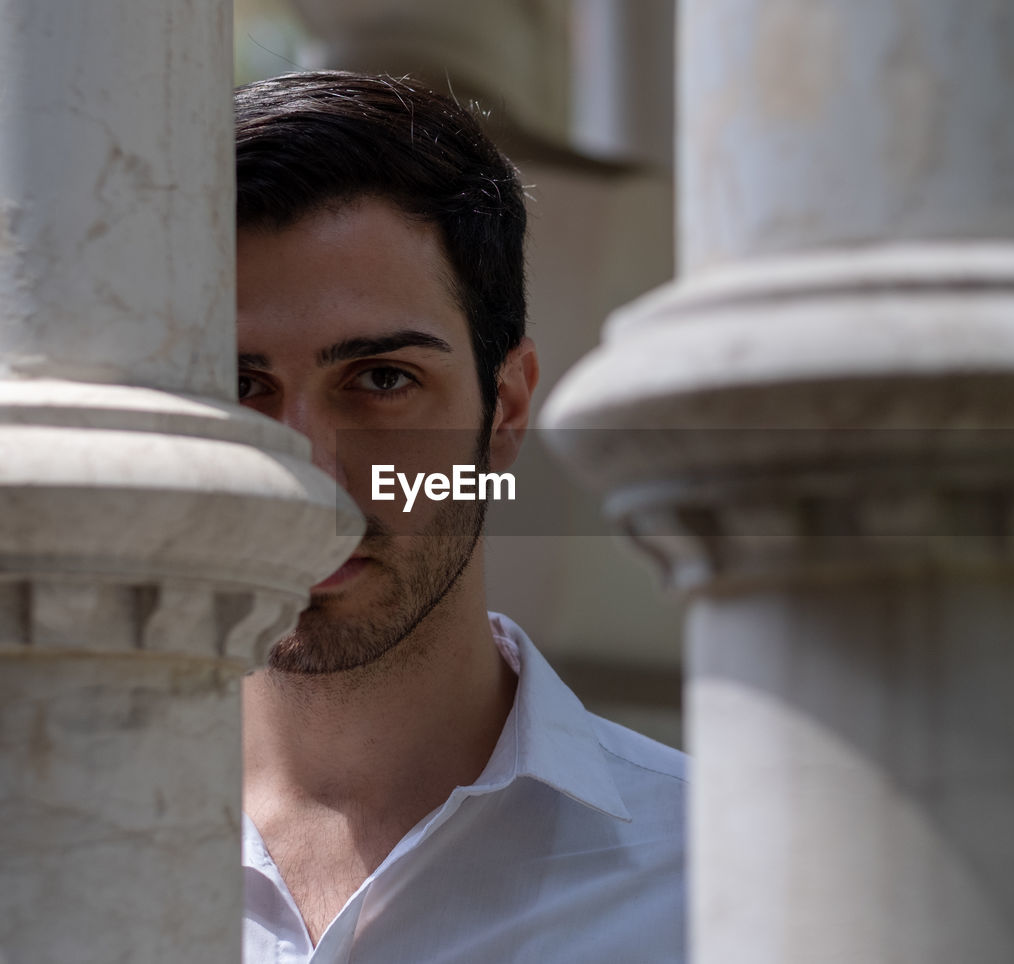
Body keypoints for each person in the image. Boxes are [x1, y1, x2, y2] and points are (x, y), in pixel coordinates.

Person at [235, 70, 685, 964]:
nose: (310, 476)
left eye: (382, 381)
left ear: (507, 409)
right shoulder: (24, 846)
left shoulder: (720, 882)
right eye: (239, 387)